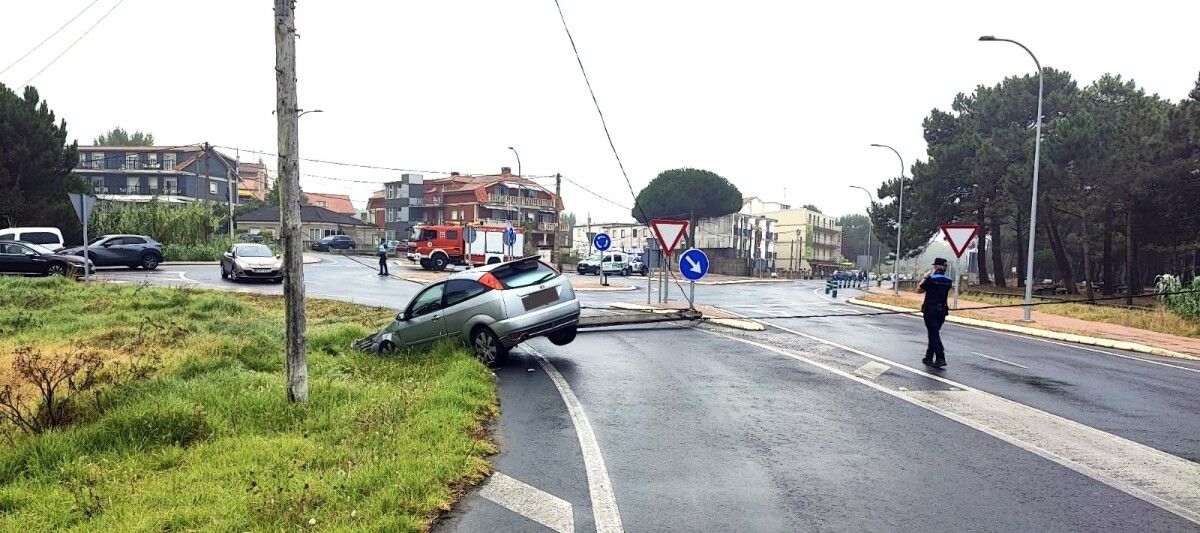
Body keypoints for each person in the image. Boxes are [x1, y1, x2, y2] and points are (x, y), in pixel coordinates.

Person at [916, 257, 953, 368]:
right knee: (934, 333)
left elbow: (919, 290)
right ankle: (928, 357)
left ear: (936, 267)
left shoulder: (931, 279)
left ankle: (941, 357)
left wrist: (925, 277)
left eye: (934, 266)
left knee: (933, 334)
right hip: (942, 310)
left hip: (930, 310)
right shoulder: (948, 281)